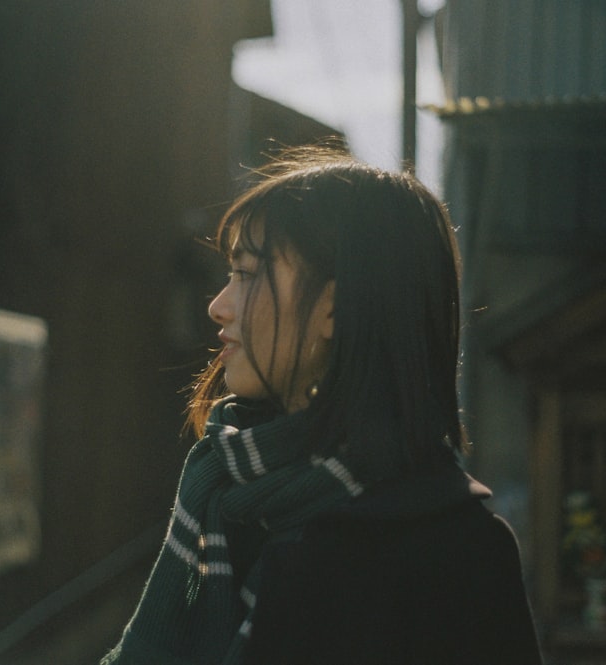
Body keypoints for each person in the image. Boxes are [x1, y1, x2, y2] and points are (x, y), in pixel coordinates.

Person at [103, 146, 543, 664]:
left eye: (246, 274)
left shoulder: (457, 552)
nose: (217, 305)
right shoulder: (228, 495)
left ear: (334, 308)